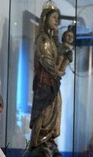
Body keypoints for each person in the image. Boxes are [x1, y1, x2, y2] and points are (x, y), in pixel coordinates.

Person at [29, 6, 65, 149]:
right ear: (45, 19)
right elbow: (46, 60)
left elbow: (59, 54)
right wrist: (57, 71)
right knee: (45, 112)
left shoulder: (51, 39)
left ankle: (49, 138)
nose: (57, 20)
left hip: (52, 82)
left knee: (56, 106)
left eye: (58, 18)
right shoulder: (42, 39)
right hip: (44, 83)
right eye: (54, 17)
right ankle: (39, 141)